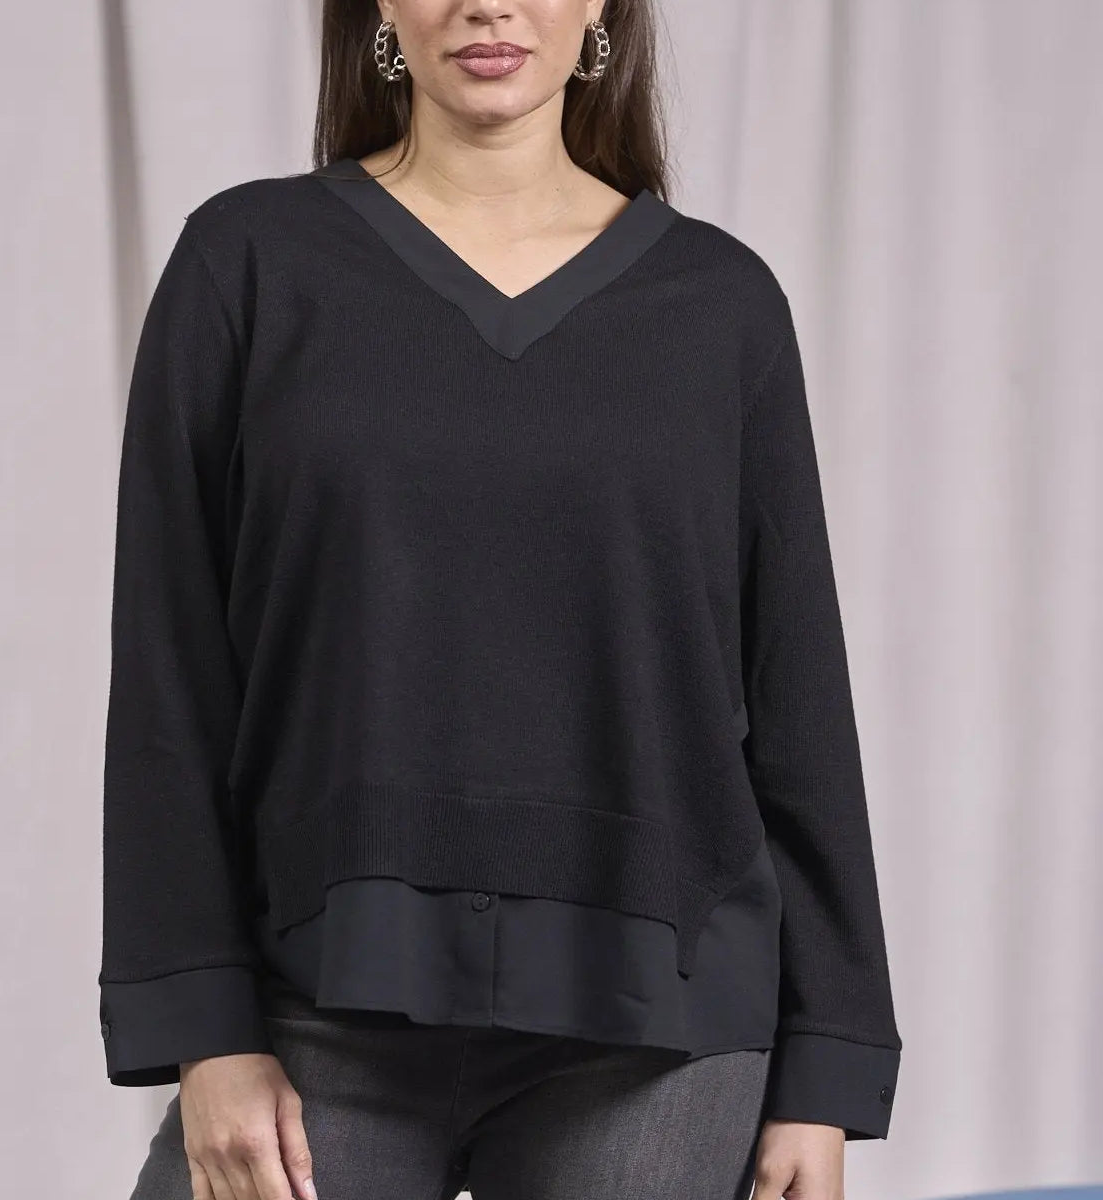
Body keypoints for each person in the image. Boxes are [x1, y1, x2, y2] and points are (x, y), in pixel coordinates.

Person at [98, 3, 903, 1198]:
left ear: (600, 10)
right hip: (321, 993)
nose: (488, 3)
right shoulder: (248, 261)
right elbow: (172, 673)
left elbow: (796, 697)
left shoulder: (721, 304)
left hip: (659, 1023)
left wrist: (825, 1070)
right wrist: (206, 1029)